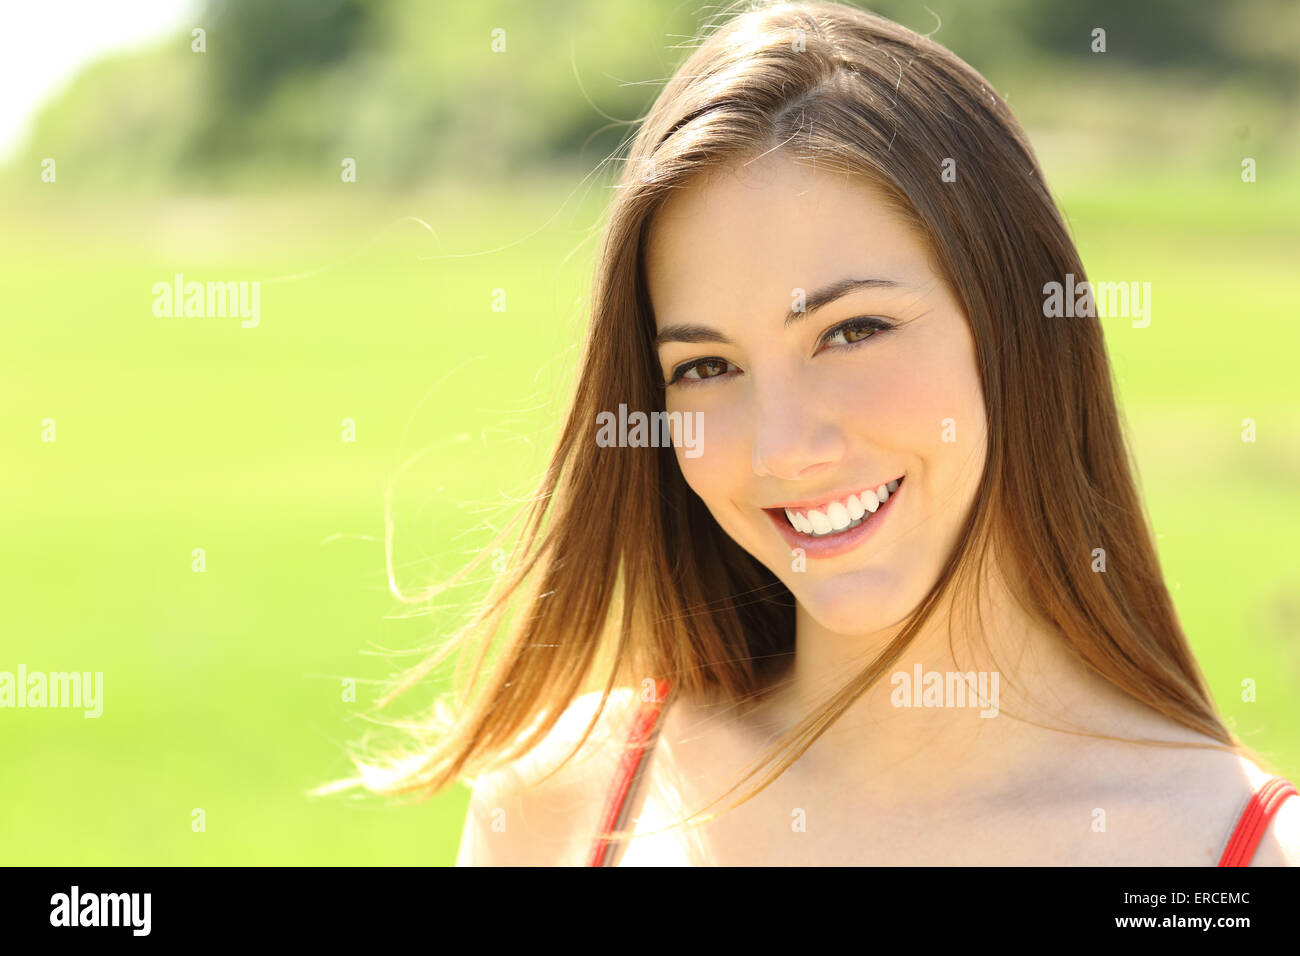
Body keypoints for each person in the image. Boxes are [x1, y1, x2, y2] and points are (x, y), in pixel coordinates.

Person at [339, 0, 1300, 866]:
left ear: (1018, 328)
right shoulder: (563, 803)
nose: (784, 448)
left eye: (851, 332)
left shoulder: (1232, 856)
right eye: (707, 367)